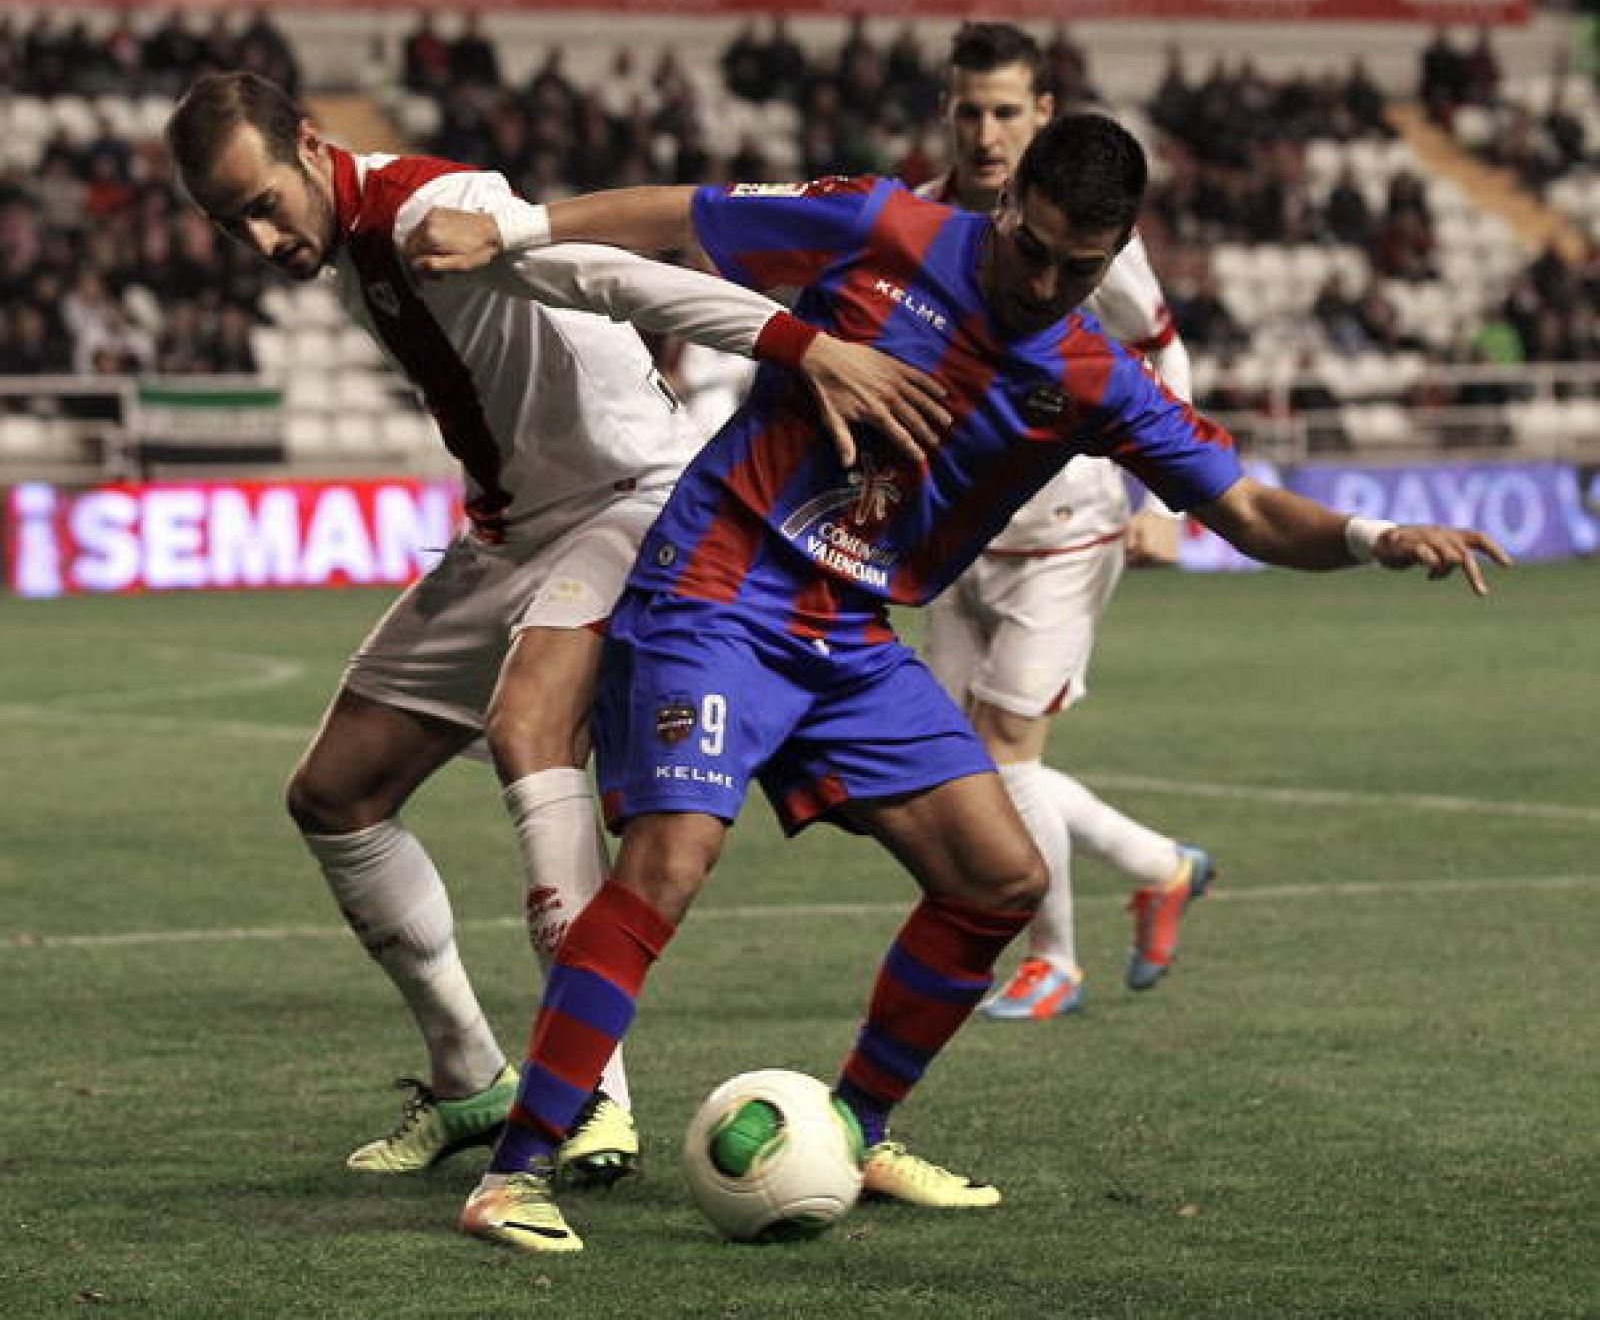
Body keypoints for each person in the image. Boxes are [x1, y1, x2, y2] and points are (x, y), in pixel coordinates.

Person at [406, 111, 1508, 1254]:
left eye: (1077, 267)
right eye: (1029, 247)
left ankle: (857, 1126)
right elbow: (689, 213)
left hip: (847, 626)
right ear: (1006, 200)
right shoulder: (885, 226)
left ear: (1116, 247)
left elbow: (1249, 508)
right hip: (724, 582)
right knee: (672, 861)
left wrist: (1376, 534)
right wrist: (514, 229)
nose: (1041, 280)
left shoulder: (1092, 376)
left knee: (999, 879)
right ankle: (518, 1169)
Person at [163, 72, 949, 1187]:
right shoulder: (344, 243)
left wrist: (800, 345)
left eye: (261, 201)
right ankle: (470, 1074)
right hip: (510, 533)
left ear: (308, 142)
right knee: (335, 794)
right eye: (227, 219)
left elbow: (618, 277)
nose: (256, 235)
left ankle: (587, 1095)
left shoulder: (434, 211)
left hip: (630, 496)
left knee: (530, 727)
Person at [918, 22, 1211, 1018]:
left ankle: (1054, 960)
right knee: (964, 766)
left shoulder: (1076, 226)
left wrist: (1159, 498)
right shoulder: (921, 222)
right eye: (970, 110)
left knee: (1002, 756)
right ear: (947, 112)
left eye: (1006, 110)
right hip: (955, 535)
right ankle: (1158, 863)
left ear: (1041, 116)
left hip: (1065, 528)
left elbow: (1164, 351)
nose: (985, 130)